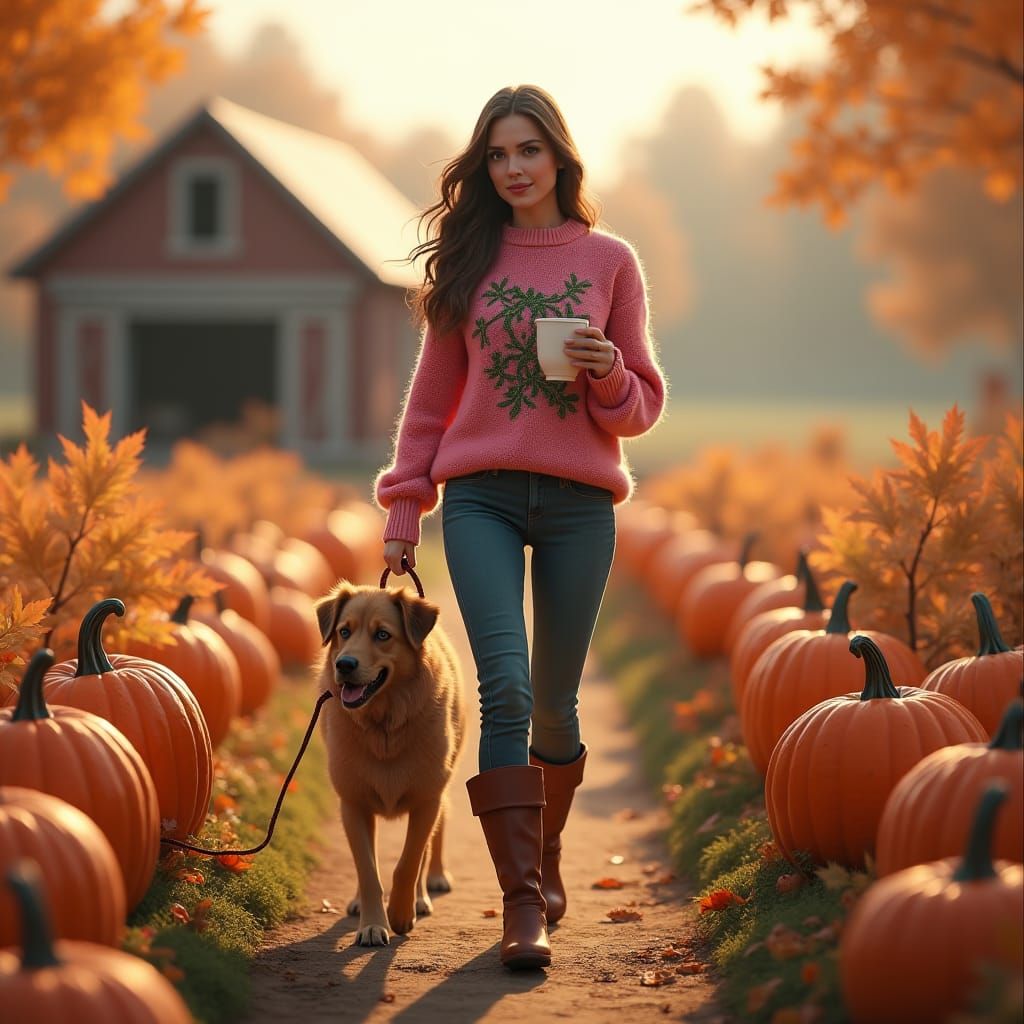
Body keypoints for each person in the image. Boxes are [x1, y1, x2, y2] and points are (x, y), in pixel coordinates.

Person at [375, 84, 667, 970]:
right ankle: (521, 904)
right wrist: (402, 509)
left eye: (526, 152)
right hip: (482, 498)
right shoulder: (470, 261)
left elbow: (641, 408)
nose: (511, 169)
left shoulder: (612, 260)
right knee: (501, 683)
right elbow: (429, 405)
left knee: (552, 701)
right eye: (496, 155)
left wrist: (606, 370)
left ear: (559, 157)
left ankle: (542, 853)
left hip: (580, 504)